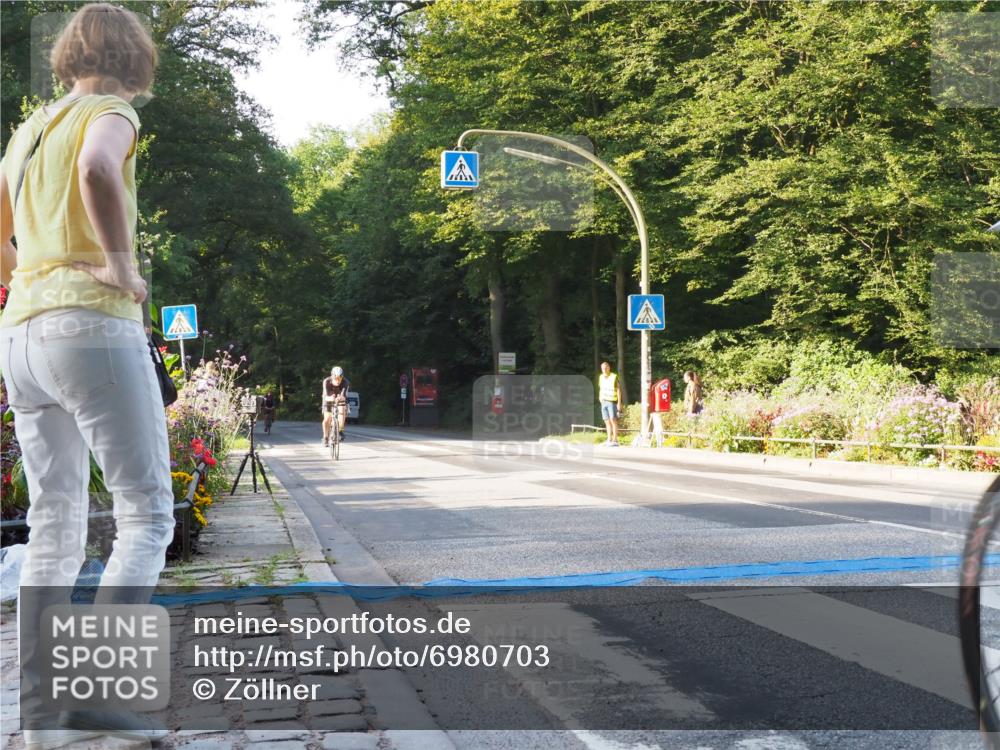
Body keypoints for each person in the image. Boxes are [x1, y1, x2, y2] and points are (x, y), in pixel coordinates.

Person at [0, 4, 170, 747]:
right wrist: (121, 268)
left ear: (69, 53)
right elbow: (98, 167)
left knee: (54, 523)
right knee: (145, 513)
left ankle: (38, 717)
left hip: (22, 334)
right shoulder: (111, 111)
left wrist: (26, 278)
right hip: (92, 328)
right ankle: (91, 692)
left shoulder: (27, 131)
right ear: (135, 59)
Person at [321, 366, 350, 446]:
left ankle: (340, 430)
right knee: (327, 418)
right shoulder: (326, 381)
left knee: (342, 409)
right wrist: (331, 398)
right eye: (336, 378)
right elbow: (326, 396)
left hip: (340, 398)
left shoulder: (345, 382)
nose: (338, 380)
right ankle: (325, 437)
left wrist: (340, 398)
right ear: (332, 376)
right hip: (328, 398)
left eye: (340, 378)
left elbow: (344, 395)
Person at [597, 361, 622, 446]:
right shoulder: (601, 377)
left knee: (613, 420)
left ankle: (615, 440)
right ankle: (609, 439)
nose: (604, 369)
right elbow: (601, 388)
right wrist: (600, 397)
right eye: (602, 368)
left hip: (612, 401)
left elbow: (618, 389)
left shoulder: (614, 376)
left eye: (605, 367)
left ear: (609, 368)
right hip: (604, 401)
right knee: (607, 421)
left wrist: (619, 403)